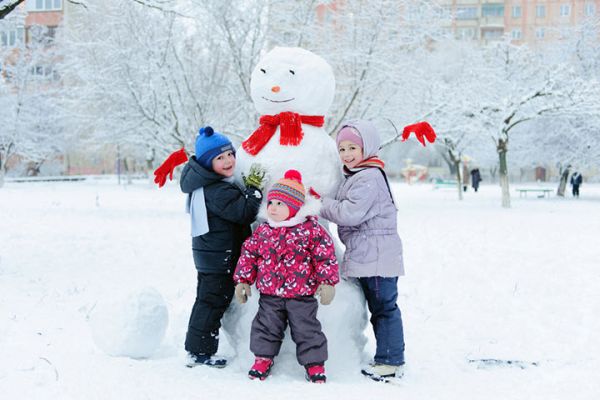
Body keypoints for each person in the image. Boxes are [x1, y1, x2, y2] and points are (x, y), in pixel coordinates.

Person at [317, 120, 406, 383]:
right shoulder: (361, 173)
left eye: (352, 147)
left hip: (376, 258)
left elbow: (349, 213)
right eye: (341, 148)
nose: (346, 154)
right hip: (371, 254)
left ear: (367, 147)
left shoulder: (368, 177)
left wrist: (319, 203)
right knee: (381, 307)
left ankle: (390, 361)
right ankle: (389, 357)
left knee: (384, 308)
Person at [233, 170, 339, 383]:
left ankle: (314, 364)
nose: (272, 207)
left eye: (280, 204)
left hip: (301, 294)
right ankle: (263, 358)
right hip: (270, 294)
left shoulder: (310, 230)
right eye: (271, 202)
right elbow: (249, 254)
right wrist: (243, 280)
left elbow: (324, 256)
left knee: (307, 329)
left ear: (294, 207)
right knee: (265, 326)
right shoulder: (264, 231)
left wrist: (327, 282)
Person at [178, 126, 264, 368]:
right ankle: (199, 352)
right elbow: (244, 213)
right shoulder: (217, 190)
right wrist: (254, 191)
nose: (228, 161)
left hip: (212, 255)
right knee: (211, 303)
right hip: (219, 258)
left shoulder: (211, 184)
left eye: (230, 154)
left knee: (208, 301)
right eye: (220, 158)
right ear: (207, 163)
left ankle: (198, 348)